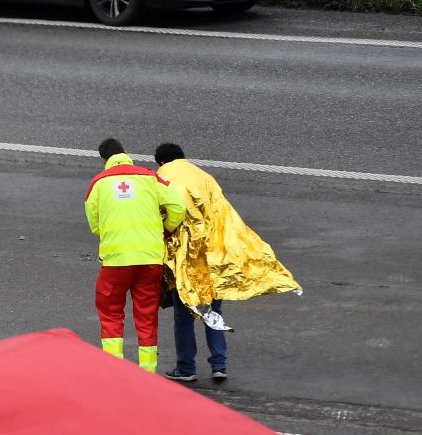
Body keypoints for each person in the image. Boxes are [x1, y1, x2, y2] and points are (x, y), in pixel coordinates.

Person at [154, 142, 302, 382]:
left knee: (184, 315)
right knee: (212, 310)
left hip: (184, 258)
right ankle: (219, 365)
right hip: (214, 256)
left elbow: (164, 214)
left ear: (161, 161)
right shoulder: (205, 177)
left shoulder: (163, 176)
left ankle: (186, 368)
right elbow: (224, 216)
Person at [84, 138, 186, 373]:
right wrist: (165, 230)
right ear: (126, 154)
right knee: (147, 316)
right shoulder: (150, 177)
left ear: (104, 159)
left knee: (111, 315)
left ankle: (114, 371)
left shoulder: (98, 183)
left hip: (116, 262)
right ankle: (147, 372)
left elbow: (94, 224)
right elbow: (178, 207)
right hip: (150, 260)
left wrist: (112, 233)